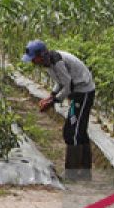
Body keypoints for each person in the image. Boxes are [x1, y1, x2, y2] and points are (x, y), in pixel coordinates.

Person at [23, 40, 96, 180]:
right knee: (78, 131)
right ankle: (85, 172)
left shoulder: (57, 62)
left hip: (84, 93)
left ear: (41, 55)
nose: (32, 62)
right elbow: (60, 83)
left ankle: (72, 174)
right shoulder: (49, 63)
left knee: (73, 132)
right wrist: (50, 96)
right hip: (77, 93)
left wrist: (53, 101)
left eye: (33, 58)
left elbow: (67, 86)